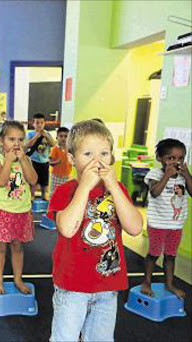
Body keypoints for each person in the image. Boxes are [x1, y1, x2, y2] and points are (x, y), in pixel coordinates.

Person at [47, 119, 142, 342]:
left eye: (104, 154)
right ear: (72, 158)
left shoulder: (118, 190)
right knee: (64, 338)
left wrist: (114, 187)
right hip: (72, 286)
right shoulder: (66, 191)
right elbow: (67, 229)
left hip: (108, 285)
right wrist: (85, 187)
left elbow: (135, 228)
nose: (97, 161)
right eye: (88, 154)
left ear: (112, 158)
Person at [0, 121, 37, 294]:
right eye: (11, 139)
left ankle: (18, 279)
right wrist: (8, 161)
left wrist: (22, 159)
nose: (16, 144)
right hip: (4, 211)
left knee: (18, 247)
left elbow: (33, 180)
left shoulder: (26, 159)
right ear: (2, 140)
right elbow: (1, 181)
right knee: (0, 247)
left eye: (20, 140)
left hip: (22, 211)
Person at [140, 138, 191, 299]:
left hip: (176, 225)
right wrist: (167, 176)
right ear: (159, 158)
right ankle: (146, 281)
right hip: (157, 224)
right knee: (154, 253)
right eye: (171, 158)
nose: (176, 162)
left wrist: (188, 175)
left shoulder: (183, 175)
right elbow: (155, 192)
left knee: (170, 255)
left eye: (180, 158)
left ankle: (169, 284)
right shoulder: (155, 173)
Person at [26, 113, 56, 200]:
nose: (39, 125)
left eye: (41, 123)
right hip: (33, 161)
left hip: (44, 161)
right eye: (37, 122)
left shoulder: (47, 134)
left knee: (44, 182)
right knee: (33, 181)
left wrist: (46, 136)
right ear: (33, 123)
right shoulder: (30, 134)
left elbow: (53, 145)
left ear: (44, 123)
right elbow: (27, 145)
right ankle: (32, 195)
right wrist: (36, 137)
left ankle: (44, 195)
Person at [49, 127, 72, 197]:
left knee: (65, 192)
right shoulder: (55, 149)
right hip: (56, 176)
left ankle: (62, 205)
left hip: (66, 175)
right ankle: (52, 206)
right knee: (54, 192)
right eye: (61, 136)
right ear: (57, 138)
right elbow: (50, 162)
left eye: (66, 136)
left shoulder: (70, 149)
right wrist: (56, 162)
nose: (63, 138)